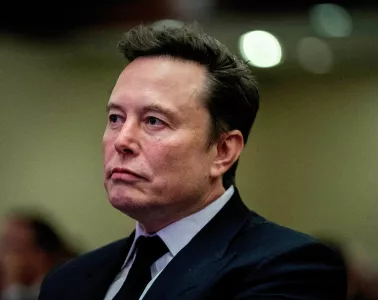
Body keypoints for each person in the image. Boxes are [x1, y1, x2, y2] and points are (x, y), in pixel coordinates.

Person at [38, 24, 347, 300]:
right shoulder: (67, 280)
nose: (122, 141)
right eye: (116, 118)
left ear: (223, 151)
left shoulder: (290, 268)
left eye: (154, 121)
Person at [0, 211, 77, 300]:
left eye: (11, 246)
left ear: (41, 255)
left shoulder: (61, 290)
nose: (2, 255)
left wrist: (13, 286)